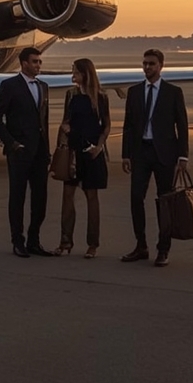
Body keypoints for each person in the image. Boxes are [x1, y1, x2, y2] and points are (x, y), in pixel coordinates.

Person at [120, 48, 189, 267]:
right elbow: (128, 125)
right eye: (145, 63)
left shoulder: (173, 92)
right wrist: (126, 154)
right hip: (141, 152)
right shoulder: (134, 92)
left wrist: (183, 156)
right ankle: (141, 246)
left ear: (161, 66)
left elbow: (182, 125)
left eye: (151, 64)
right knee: (135, 198)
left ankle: (163, 249)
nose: (147, 67)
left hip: (164, 154)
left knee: (164, 202)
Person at [0, 46, 53, 257]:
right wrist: (11, 143)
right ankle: (18, 241)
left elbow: (43, 121)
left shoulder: (44, 87)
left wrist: (47, 150)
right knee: (17, 198)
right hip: (19, 153)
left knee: (40, 199)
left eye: (39, 62)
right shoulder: (10, 86)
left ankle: (34, 240)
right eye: (34, 61)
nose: (38, 65)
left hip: (39, 153)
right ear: (24, 63)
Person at [52, 58, 111, 257]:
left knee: (92, 198)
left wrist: (100, 147)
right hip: (74, 151)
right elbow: (65, 121)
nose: (72, 75)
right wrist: (63, 142)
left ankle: (92, 244)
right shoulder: (71, 95)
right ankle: (65, 241)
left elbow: (106, 125)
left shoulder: (101, 97)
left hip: (92, 152)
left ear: (85, 74)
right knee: (67, 196)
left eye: (75, 72)